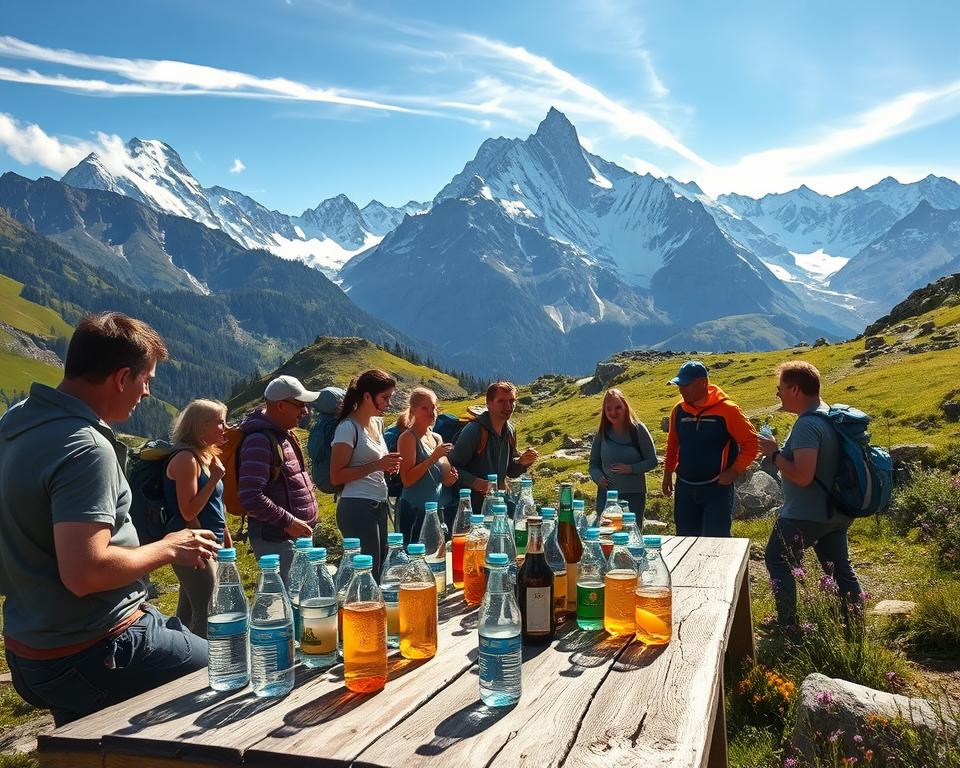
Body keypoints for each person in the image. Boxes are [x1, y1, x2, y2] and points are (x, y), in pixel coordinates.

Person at [0, 312, 219, 726]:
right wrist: (171, 546)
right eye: (146, 380)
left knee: (85, 740)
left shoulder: (15, 423)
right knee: (231, 668)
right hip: (95, 645)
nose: (148, 392)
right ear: (122, 378)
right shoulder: (84, 448)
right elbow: (86, 572)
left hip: (31, 642)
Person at [759, 361, 862, 628]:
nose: (778, 394)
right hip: (836, 511)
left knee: (777, 559)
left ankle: (788, 624)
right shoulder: (829, 415)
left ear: (794, 389)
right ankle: (854, 624)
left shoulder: (807, 424)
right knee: (839, 567)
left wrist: (773, 453)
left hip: (806, 513)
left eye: (779, 388)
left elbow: (803, 475)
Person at [662, 360, 759, 537]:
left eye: (686, 385)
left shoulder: (728, 410)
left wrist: (734, 471)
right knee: (684, 542)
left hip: (717, 489)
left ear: (703, 383)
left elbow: (752, 443)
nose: (681, 390)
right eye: (679, 385)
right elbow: (673, 444)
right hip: (684, 486)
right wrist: (668, 473)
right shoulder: (678, 410)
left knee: (717, 543)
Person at [238, 374, 319, 585]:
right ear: (281, 405)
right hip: (277, 540)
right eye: (300, 405)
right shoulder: (259, 441)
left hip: (292, 539)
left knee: (303, 597)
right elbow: (250, 496)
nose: (305, 411)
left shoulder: (283, 434)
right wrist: (288, 521)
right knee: (293, 600)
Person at [164, 399, 231, 639]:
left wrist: (226, 537)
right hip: (193, 545)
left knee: (188, 611)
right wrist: (214, 478)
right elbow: (188, 511)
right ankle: (201, 667)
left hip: (209, 543)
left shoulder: (203, 457)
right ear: (200, 427)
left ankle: (175, 656)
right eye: (220, 423)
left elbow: (213, 504)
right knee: (208, 611)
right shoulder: (186, 460)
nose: (226, 427)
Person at [330, 369, 402, 579]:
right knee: (366, 572)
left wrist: (387, 466)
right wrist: (377, 465)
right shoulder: (347, 428)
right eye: (384, 398)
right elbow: (336, 476)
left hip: (378, 503)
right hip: (357, 506)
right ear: (367, 396)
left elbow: (375, 464)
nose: (388, 404)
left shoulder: (376, 423)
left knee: (378, 568)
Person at [449, 380, 539, 513]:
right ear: (489, 403)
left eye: (512, 401)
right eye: (501, 401)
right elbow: (452, 467)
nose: (508, 406)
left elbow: (510, 471)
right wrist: (477, 483)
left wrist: (522, 462)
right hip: (471, 508)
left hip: (498, 505)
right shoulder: (474, 431)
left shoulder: (510, 431)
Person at [396, 387, 459, 542]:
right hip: (414, 511)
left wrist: (450, 478)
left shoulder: (437, 438)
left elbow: (443, 476)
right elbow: (407, 480)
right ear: (413, 410)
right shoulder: (408, 438)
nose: (432, 412)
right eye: (425, 408)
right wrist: (433, 457)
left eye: (434, 407)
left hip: (437, 510)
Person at [589, 388, 658, 525]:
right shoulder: (602, 433)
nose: (613, 412)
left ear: (625, 407)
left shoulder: (638, 430)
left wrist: (631, 468)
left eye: (618, 407)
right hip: (606, 496)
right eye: (608, 408)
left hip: (634, 497)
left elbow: (652, 461)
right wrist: (598, 478)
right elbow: (593, 465)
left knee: (630, 536)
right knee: (606, 537)